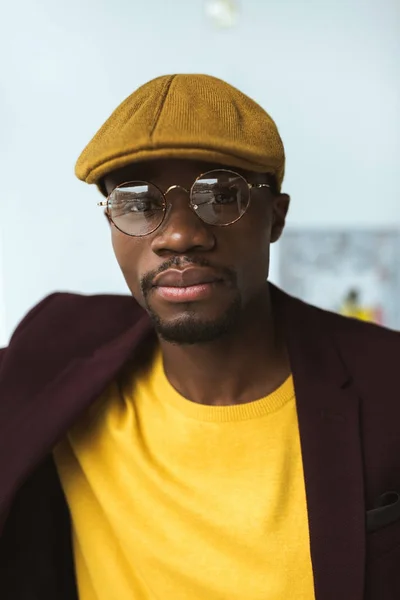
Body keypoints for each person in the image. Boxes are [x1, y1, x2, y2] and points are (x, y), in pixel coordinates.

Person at [0, 74, 399, 600]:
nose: (180, 235)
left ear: (275, 217)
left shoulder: (387, 381)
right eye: (138, 204)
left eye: (222, 195)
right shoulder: (56, 347)